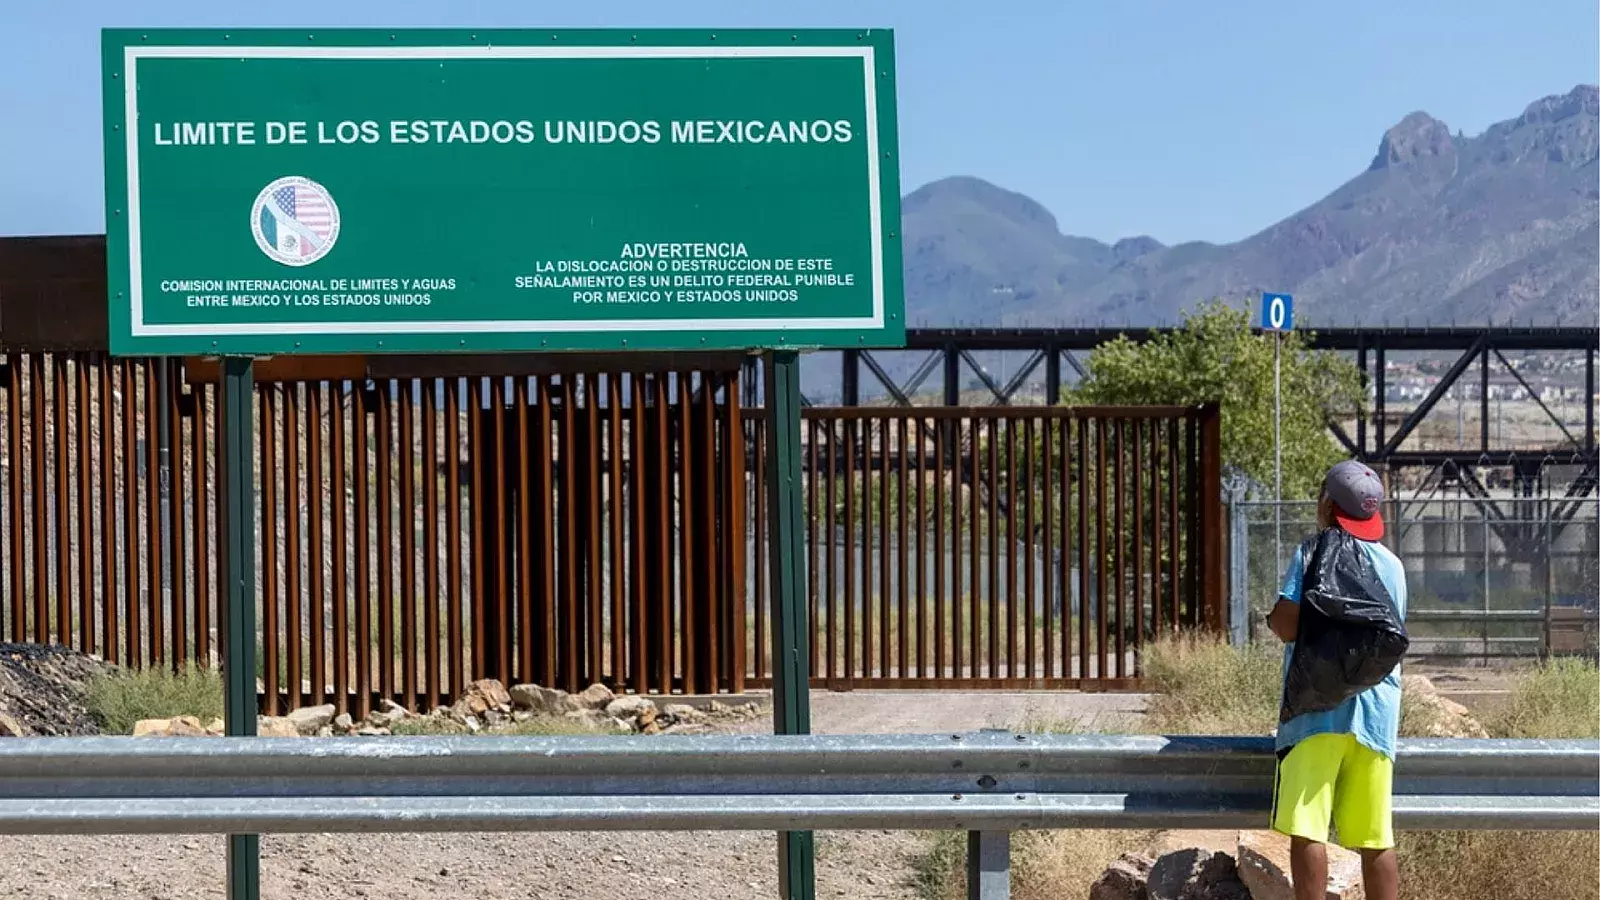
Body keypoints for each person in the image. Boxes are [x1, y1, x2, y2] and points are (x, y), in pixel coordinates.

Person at [1266, 460, 1407, 900]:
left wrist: (1273, 617)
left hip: (1316, 711)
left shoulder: (1311, 553)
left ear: (1327, 504)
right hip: (1376, 715)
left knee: (1308, 827)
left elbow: (1287, 626)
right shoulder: (1393, 566)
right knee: (1374, 836)